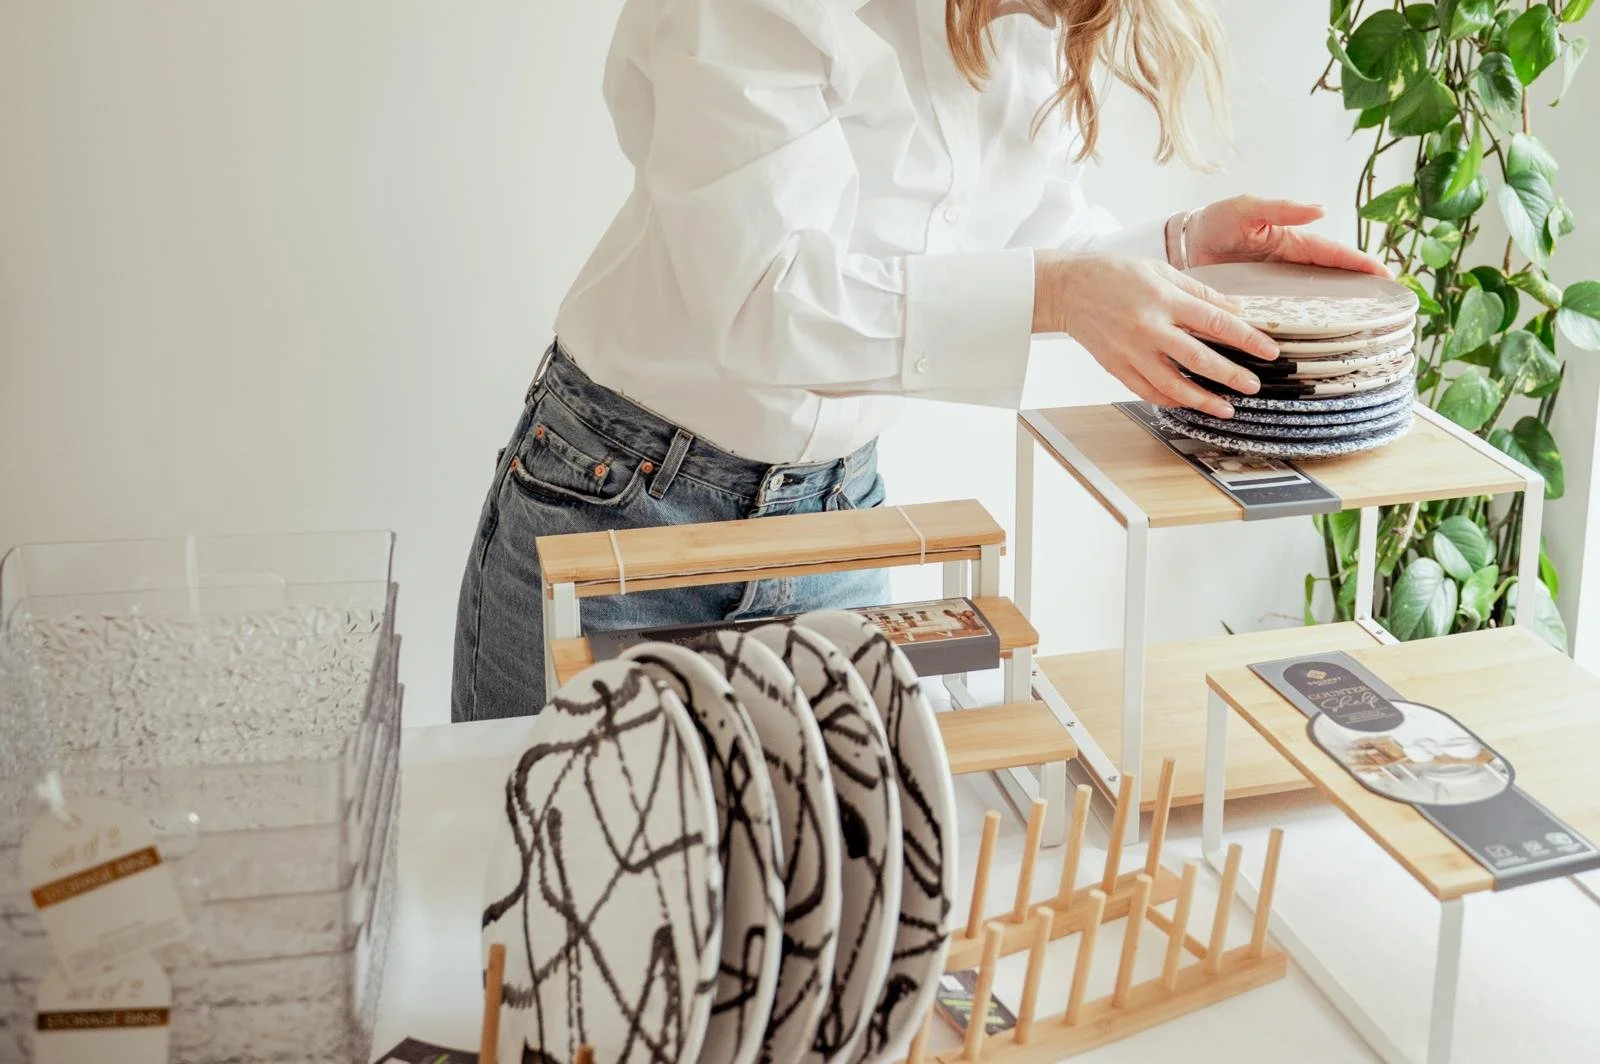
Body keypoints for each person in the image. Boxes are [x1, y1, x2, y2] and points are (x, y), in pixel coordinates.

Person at [452, 0, 1385, 722]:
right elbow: (763, 300)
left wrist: (1179, 250)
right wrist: (1060, 292)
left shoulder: (1026, 22)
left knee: (827, 908)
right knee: (544, 893)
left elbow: (1024, 230)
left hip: (834, 518)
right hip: (625, 500)